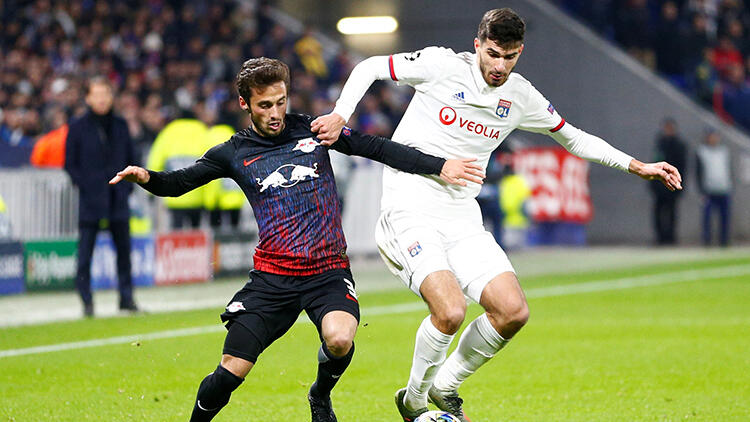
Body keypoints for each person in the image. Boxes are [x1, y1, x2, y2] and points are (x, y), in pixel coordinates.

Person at [312, 8, 683, 421]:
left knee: (512, 311)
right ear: (477, 46)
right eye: (492, 54)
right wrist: (340, 114)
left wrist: (638, 166)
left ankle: (444, 386)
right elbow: (370, 66)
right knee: (450, 311)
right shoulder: (441, 66)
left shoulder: (520, 97)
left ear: (519, 53)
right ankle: (413, 401)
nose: (500, 66)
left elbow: (573, 138)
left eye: (509, 57)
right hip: (410, 207)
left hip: (461, 216)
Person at [109, 57, 483, 422]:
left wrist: (439, 165)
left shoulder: (315, 130)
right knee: (231, 370)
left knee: (339, 338)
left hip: (327, 272)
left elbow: (378, 148)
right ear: (245, 104)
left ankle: (320, 394)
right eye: (265, 105)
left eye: (281, 102)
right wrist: (147, 178)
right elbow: (179, 183)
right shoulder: (233, 152)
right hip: (273, 278)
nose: (276, 113)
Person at [64, 77, 139, 317]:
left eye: (105, 94)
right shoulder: (77, 126)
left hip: (118, 198)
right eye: (96, 95)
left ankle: (126, 299)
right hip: (91, 200)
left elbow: (133, 157)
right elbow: (70, 163)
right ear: (88, 98)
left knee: (124, 253)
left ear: (111, 96)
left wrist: (127, 188)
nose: (102, 99)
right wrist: (85, 186)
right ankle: (86, 301)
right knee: (85, 255)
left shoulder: (120, 125)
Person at [649, 118, 688, 245]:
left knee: (672, 212)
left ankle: (670, 237)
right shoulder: (660, 143)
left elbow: (682, 167)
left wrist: (679, 184)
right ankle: (660, 238)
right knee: (658, 213)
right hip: (659, 186)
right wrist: (653, 184)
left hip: (672, 184)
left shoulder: (679, 146)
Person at [696, 130, 732, 246]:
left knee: (725, 217)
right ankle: (707, 240)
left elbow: (729, 170)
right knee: (707, 217)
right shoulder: (702, 152)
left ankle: (724, 240)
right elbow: (698, 172)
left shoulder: (724, 152)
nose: (713, 139)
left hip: (724, 189)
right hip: (709, 190)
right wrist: (701, 190)